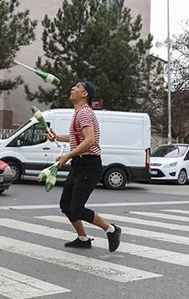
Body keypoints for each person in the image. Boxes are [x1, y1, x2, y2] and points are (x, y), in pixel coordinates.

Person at [46, 80, 121, 252]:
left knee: (77, 208)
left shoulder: (84, 113)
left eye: (77, 86)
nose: (72, 88)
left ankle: (111, 229)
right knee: (66, 205)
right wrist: (57, 137)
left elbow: (89, 140)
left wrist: (67, 156)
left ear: (84, 94)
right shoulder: (79, 113)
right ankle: (83, 238)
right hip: (80, 164)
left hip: (89, 164)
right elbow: (77, 138)